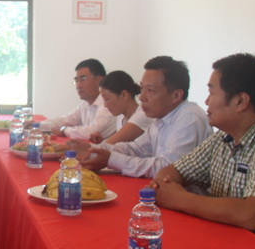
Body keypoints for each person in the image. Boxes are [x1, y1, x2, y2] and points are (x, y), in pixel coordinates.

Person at [153, 54, 255, 249]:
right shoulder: (224, 138)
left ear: (240, 101)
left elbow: (252, 214)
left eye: (212, 92)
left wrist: (180, 199)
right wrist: (168, 187)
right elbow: (171, 172)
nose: (206, 101)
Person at [80, 56, 212, 178]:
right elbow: (136, 149)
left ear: (176, 95)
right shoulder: (162, 118)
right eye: (142, 88)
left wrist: (111, 159)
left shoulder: (189, 117)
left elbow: (168, 169)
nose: (142, 97)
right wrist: (92, 149)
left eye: (150, 90)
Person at [46, 59, 118, 140]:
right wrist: (41, 125)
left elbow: (91, 132)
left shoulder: (108, 104)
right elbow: (64, 120)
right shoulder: (85, 105)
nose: (78, 86)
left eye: (83, 79)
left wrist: (64, 130)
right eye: (76, 81)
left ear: (100, 80)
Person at [90, 70, 154, 145]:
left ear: (124, 95)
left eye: (107, 99)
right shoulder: (121, 118)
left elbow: (109, 144)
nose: (105, 105)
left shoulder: (142, 115)